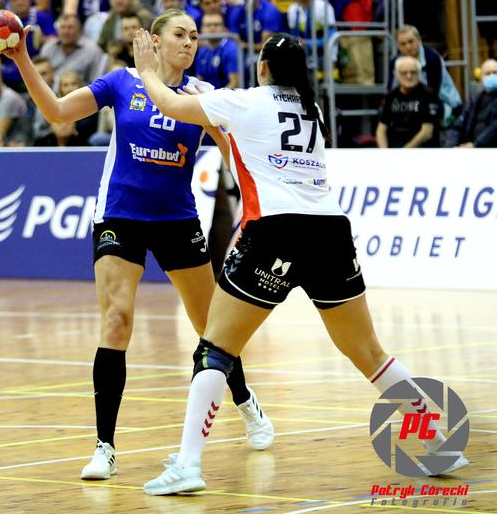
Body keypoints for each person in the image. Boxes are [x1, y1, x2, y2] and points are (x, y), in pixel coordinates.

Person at [131, 30, 469, 494]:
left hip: (275, 231)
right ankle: (439, 442)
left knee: (215, 349)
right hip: (330, 231)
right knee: (369, 352)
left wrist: (147, 71)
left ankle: (188, 465)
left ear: (263, 67)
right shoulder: (313, 109)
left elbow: (169, 105)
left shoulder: (245, 101)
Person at [0, 8, 274, 481]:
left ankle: (245, 401)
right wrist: (22, 57)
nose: (189, 43)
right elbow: (57, 112)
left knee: (212, 328)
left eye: (194, 36)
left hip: (177, 219)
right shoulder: (122, 82)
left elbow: (234, 155)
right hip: (120, 214)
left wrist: (251, 188)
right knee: (117, 319)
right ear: (154, 40)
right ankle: (104, 446)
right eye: (180, 34)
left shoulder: (201, 94)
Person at [376, 56, 441, 148]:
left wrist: (405, 151)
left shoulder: (429, 95)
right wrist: (385, 152)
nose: (409, 76)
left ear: (419, 74)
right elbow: (381, 130)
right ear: (396, 75)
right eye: (404, 73)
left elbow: (427, 132)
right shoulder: (390, 97)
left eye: (413, 72)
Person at [444, 58, 497, 148]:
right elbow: (459, 125)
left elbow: (494, 128)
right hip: (470, 150)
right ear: (480, 78)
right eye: (488, 73)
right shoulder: (475, 99)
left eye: (495, 73)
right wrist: (451, 146)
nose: (492, 76)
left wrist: (476, 144)